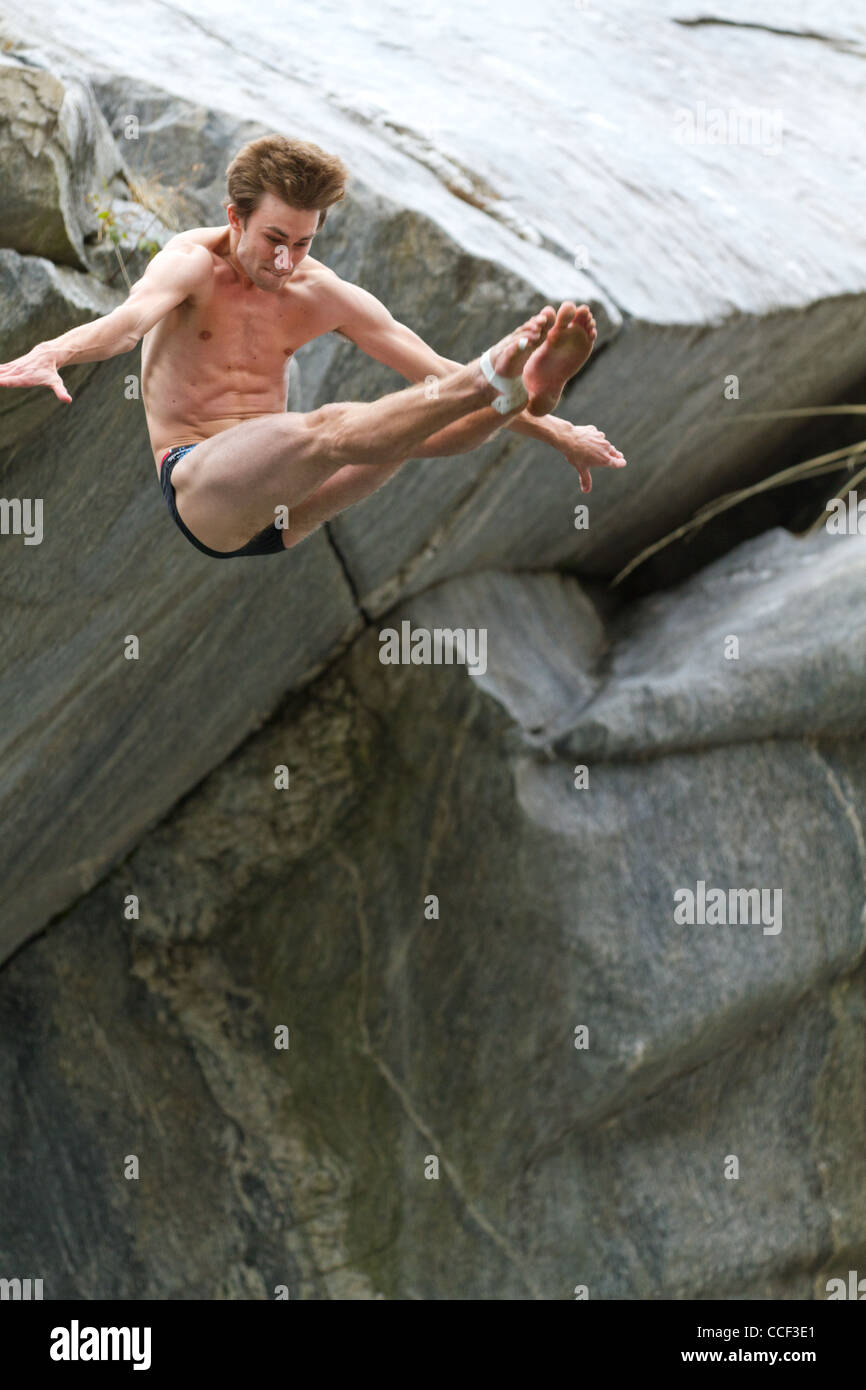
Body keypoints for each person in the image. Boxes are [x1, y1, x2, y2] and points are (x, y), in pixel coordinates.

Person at [0, 134, 626, 558]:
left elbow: (433, 370)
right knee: (333, 426)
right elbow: (127, 324)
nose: (285, 260)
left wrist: (562, 434)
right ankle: (494, 382)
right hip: (205, 489)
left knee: (421, 426)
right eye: (274, 239)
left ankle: (519, 393)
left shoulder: (320, 291)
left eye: (302, 244)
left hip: (288, 508)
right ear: (236, 217)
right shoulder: (190, 265)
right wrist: (54, 351)